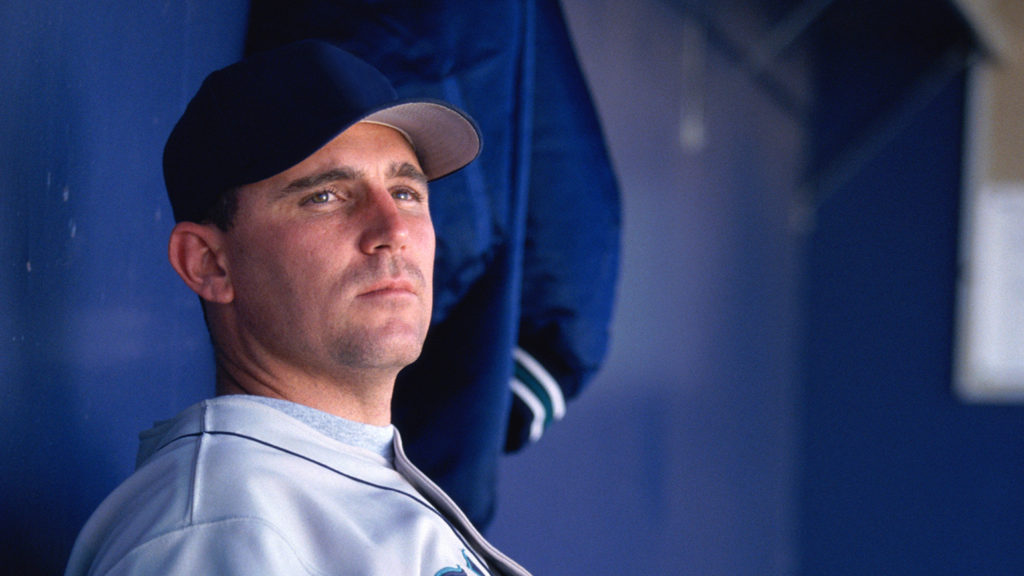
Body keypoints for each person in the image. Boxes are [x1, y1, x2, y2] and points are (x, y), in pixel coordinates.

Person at [63, 40, 531, 576]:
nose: (394, 231)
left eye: (405, 191)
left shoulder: (320, 485)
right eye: (325, 196)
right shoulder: (219, 532)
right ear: (210, 264)